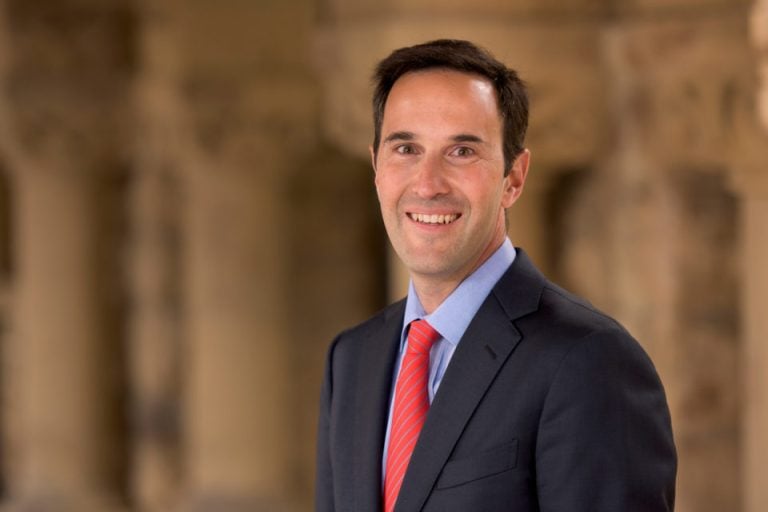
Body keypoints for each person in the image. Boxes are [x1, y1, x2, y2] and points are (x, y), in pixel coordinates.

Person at [315, 39, 676, 512]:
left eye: (462, 151)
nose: (427, 183)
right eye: (406, 148)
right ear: (377, 168)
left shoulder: (589, 360)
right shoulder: (352, 359)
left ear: (514, 178)